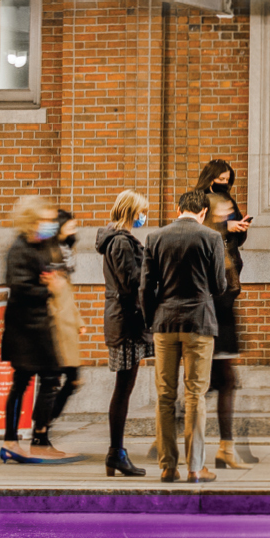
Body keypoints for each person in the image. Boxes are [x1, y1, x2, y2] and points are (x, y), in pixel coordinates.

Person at [144, 189, 224, 484]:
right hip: (199, 323)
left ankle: (167, 466)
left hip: (164, 323)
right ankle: (195, 466)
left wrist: (151, 317)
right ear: (203, 212)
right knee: (195, 395)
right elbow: (219, 284)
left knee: (165, 396)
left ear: (178, 208)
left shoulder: (155, 237)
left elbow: (145, 286)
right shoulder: (211, 238)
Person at [0, 195, 80, 461]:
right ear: (30, 222)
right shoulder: (19, 249)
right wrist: (48, 288)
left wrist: (52, 282)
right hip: (24, 328)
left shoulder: (44, 245)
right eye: (44, 220)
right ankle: (13, 441)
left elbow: (53, 272)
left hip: (42, 326)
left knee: (49, 380)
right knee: (23, 383)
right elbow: (19, 288)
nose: (49, 225)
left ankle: (39, 437)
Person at [98, 190, 154, 479]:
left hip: (126, 319)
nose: (145, 216)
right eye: (143, 211)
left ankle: (116, 453)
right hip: (126, 321)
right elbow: (132, 282)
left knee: (125, 386)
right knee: (124, 388)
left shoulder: (120, 239)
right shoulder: (120, 241)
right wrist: (153, 269)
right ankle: (116, 452)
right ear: (132, 211)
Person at [204, 194, 257, 472]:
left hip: (223, 320)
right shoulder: (210, 241)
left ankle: (226, 448)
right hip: (214, 322)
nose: (231, 212)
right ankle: (223, 448)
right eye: (225, 208)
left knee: (221, 384)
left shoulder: (224, 240)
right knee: (219, 384)